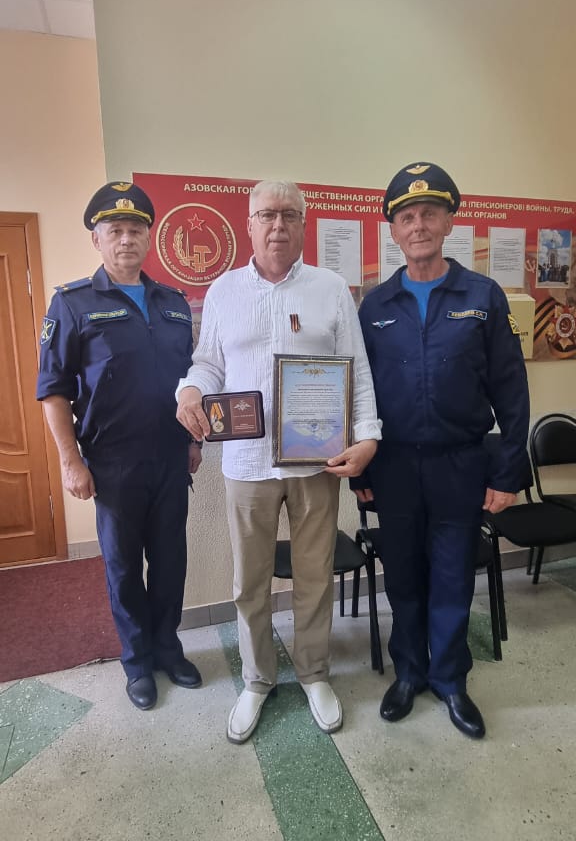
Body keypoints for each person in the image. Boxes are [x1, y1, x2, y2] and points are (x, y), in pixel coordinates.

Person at [176, 180, 381, 744]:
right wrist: (190, 389)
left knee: (315, 575)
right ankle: (257, 678)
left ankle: (314, 673)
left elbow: (358, 369)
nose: (278, 225)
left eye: (290, 215)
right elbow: (208, 362)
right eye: (267, 215)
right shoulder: (223, 290)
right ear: (249, 224)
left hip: (315, 462)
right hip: (246, 465)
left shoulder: (330, 289)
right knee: (250, 582)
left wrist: (368, 436)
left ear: (304, 224)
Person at [355, 162, 530, 739]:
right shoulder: (375, 305)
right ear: (394, 230)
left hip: (460, 462)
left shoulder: (482, 296)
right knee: (403, 576)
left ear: (449, 222)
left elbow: (511, 391)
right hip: (394, 465)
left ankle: (451, 680)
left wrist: (507, 471)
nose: (419, 226)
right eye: (407, 217)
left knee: (453, 576)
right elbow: (360, 393)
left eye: (429, 214)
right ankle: (409, 673)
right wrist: (360, 471)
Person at [37, 181, 203, 710]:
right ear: (97, 239)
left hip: (171, 457)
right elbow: (53, 390)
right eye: (115, 231)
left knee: (171, 561)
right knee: (124, 566)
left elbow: (189, 379)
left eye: (135, 229)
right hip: (112, 463)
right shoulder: (72, 303)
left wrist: (193, 441)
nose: (126, 239)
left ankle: (168, 649)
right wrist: (70, 462)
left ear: (149, 237)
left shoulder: (173, 303)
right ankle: (137, 661)